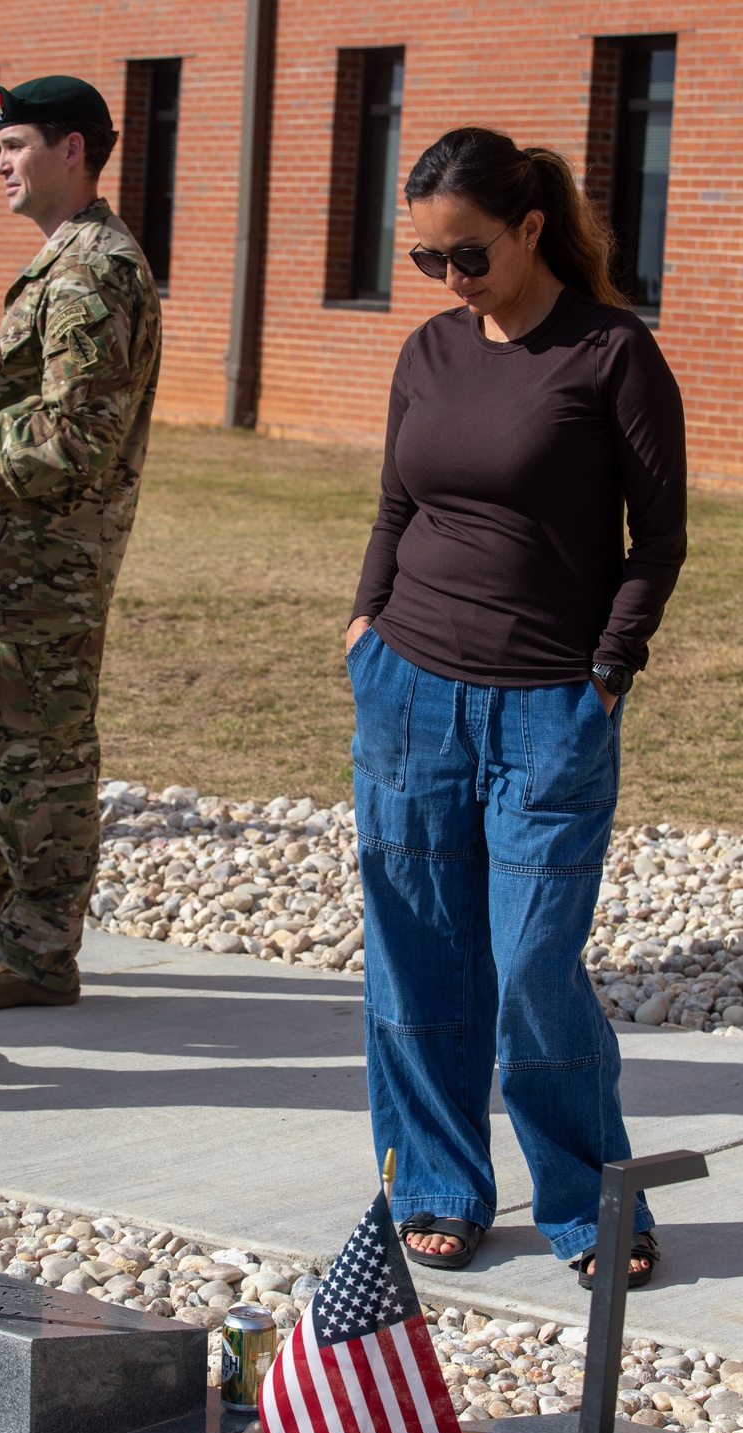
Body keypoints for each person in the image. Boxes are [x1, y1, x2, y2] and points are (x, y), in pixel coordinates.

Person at [346, 127, 686, 1289]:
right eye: (429, 261)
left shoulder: (611, 353)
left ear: (530, 227)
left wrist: (605, 670)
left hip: (549, 705)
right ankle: (437, 1183)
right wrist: (363, 626)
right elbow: (397, 505)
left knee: (534, 961)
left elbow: (661, 538)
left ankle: (592, 1200)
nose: (451, 282)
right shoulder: (430, 351)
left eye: (469, 256)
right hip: (407, 692)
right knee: (415, 959)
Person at [0, 76, 161, 1009]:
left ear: (75, 151)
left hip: (48, 571)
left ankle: (35, 955)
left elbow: (74, 441)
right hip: (3, 561)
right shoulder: (59, 262)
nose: (0, 162)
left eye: (18, 144)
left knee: (40, 758)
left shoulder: (93, 272)